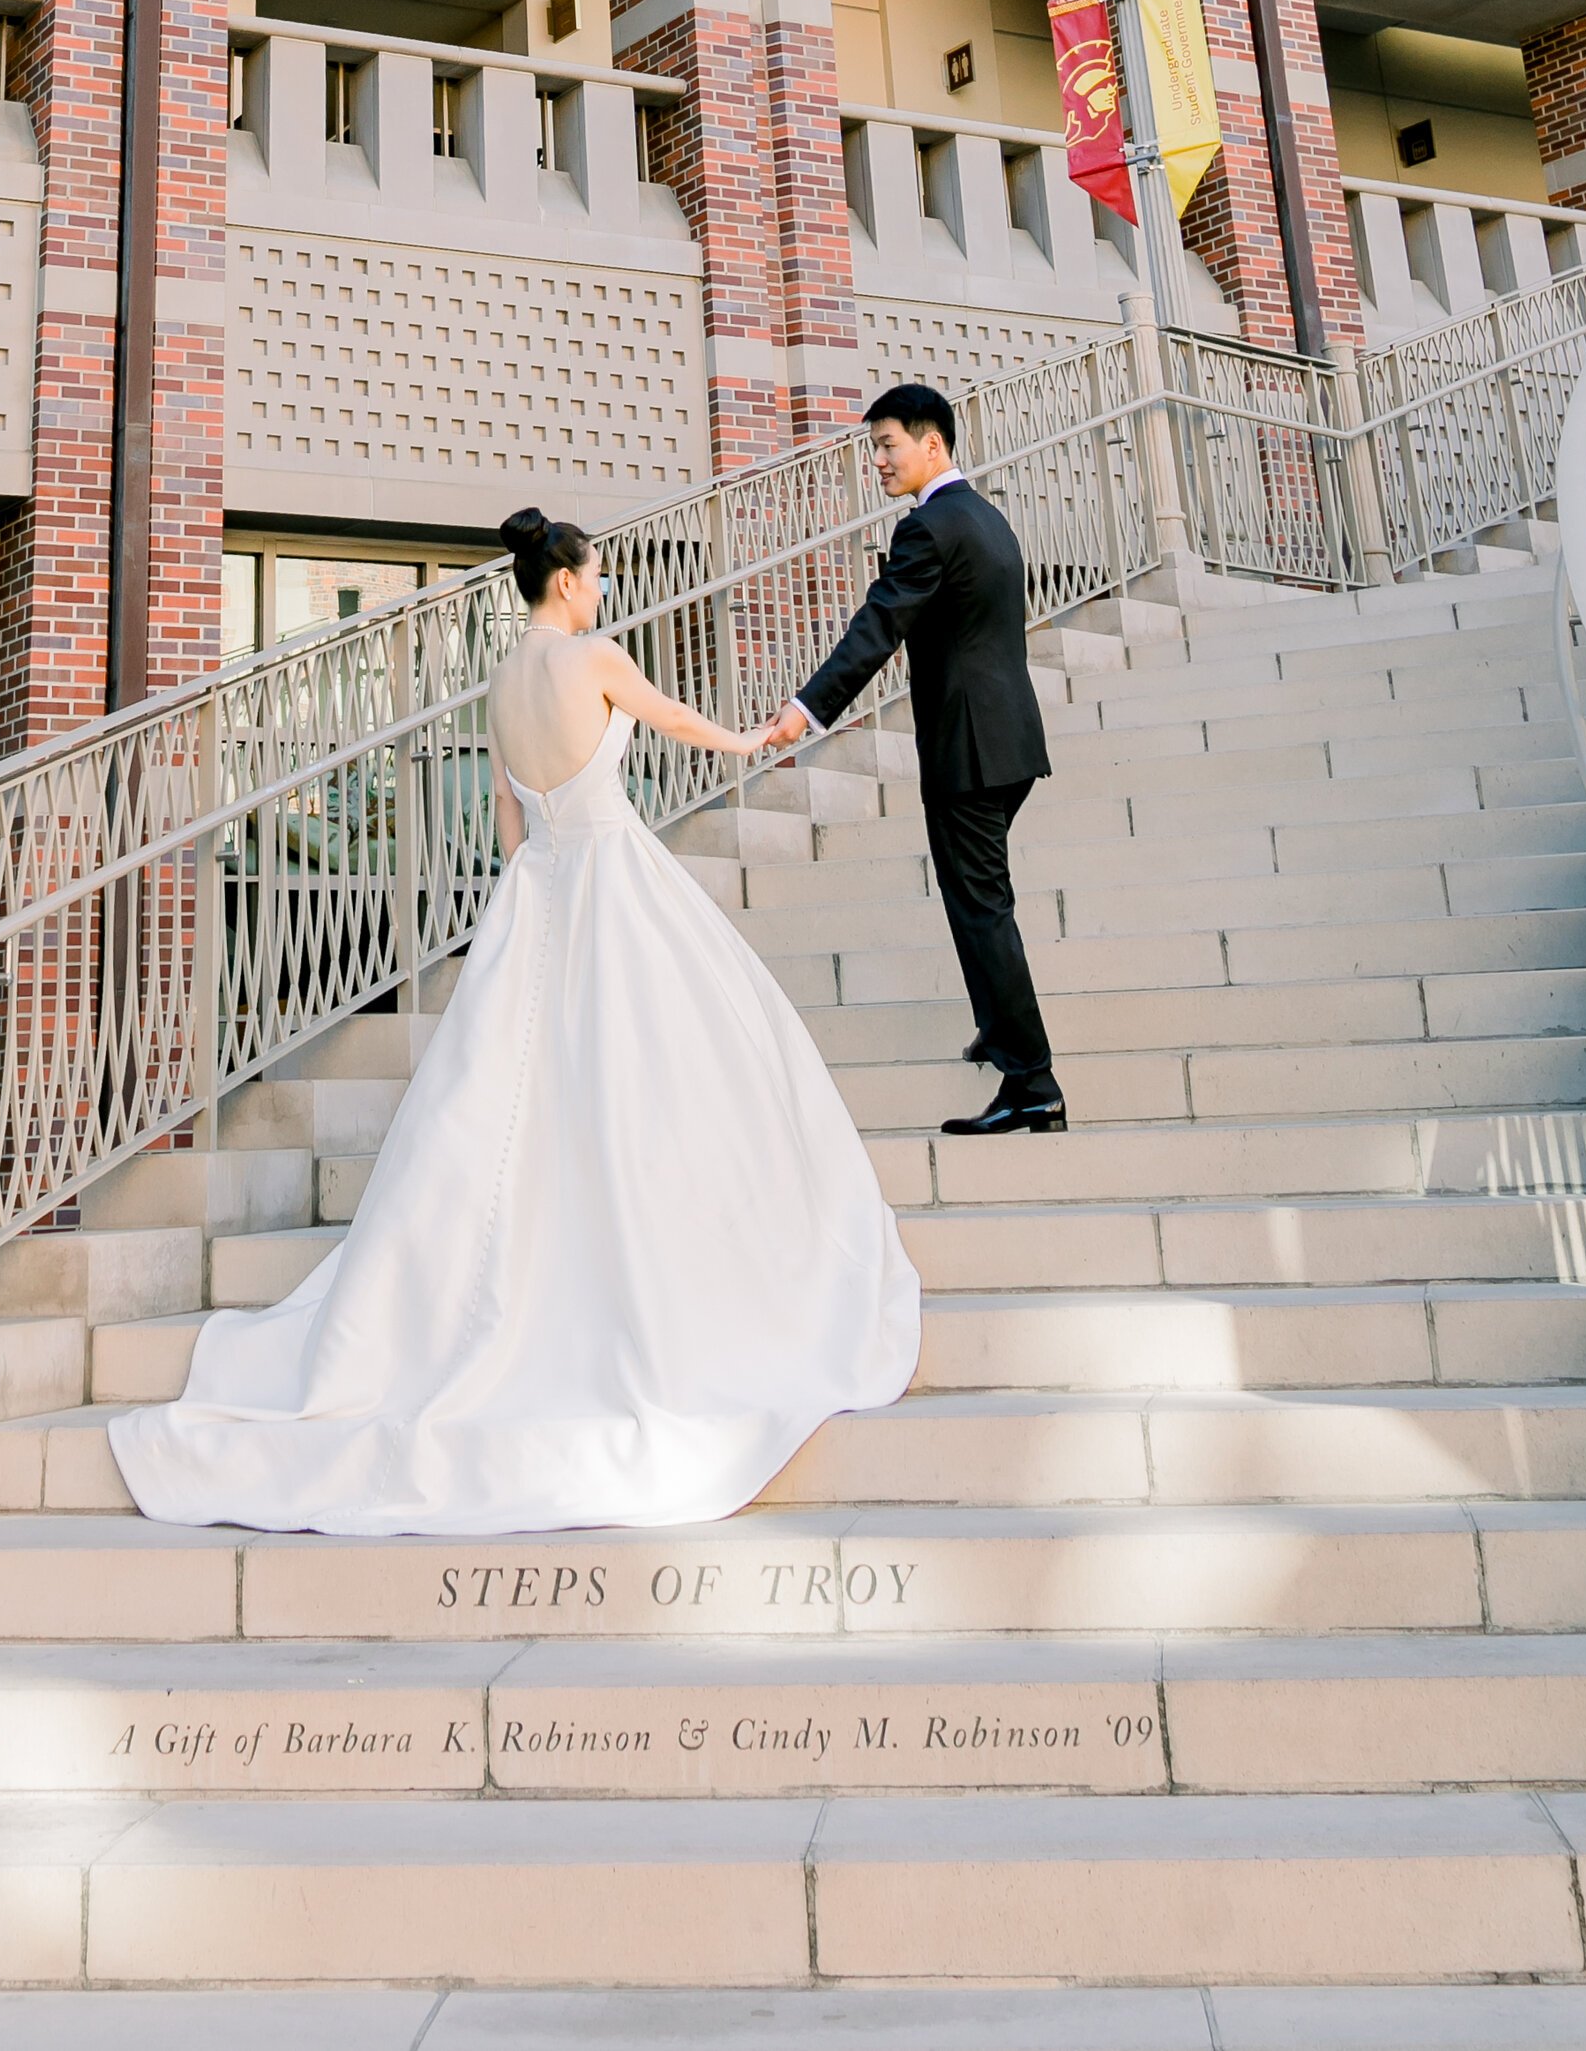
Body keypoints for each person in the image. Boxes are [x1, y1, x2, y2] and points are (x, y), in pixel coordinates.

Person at [106, 506, 920, 1537]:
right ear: (571, 582)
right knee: (662, 1069)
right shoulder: (594, 658)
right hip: (612, 874)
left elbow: (506, 822)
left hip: (539, 886)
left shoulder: (500, 680)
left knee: (509, 1101)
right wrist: (758, 734)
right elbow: (676, 724)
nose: (604, 586)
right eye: (600, 575)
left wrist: (533, 880)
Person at [763, 381, 1063, 1139]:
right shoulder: (990, 520)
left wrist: (806, 707)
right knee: (985, 897)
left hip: (967, 748)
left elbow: (879, 626)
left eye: (888, 445)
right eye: (874, 449)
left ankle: (1032, 1082)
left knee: (979, 907)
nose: (879, 462)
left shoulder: (929, 527)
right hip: (1013, 741)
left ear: (934, 442)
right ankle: (1003, 1033)